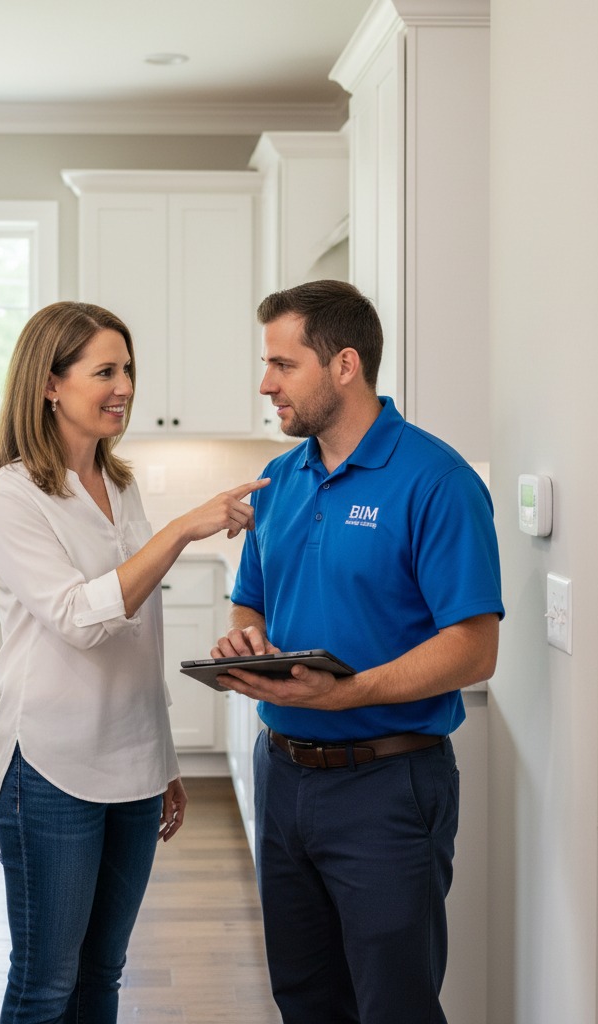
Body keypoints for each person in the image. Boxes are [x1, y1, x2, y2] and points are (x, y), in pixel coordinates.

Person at [212, 280, 503, 1024]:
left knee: (393, 1006)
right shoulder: (279, 479)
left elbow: (475, 648)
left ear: (345, 365)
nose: (265, 383)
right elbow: (253, 595)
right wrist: (248, 635)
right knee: (305, 997)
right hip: (283, 774)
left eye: (283, 364)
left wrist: (350, 692)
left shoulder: (437, 481)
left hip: (389, 784)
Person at [0, 300, 269, 1024]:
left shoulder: (122, 484)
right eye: (104, 371)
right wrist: (179, 531)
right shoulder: (11, 494)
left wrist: (163, 757)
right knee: (46, 982)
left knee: (104, 974)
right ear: (49, 384)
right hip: (51, 765)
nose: (125, 387)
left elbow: (140, 642)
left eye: (128, 369)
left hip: (132, 762)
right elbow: (81, 620)